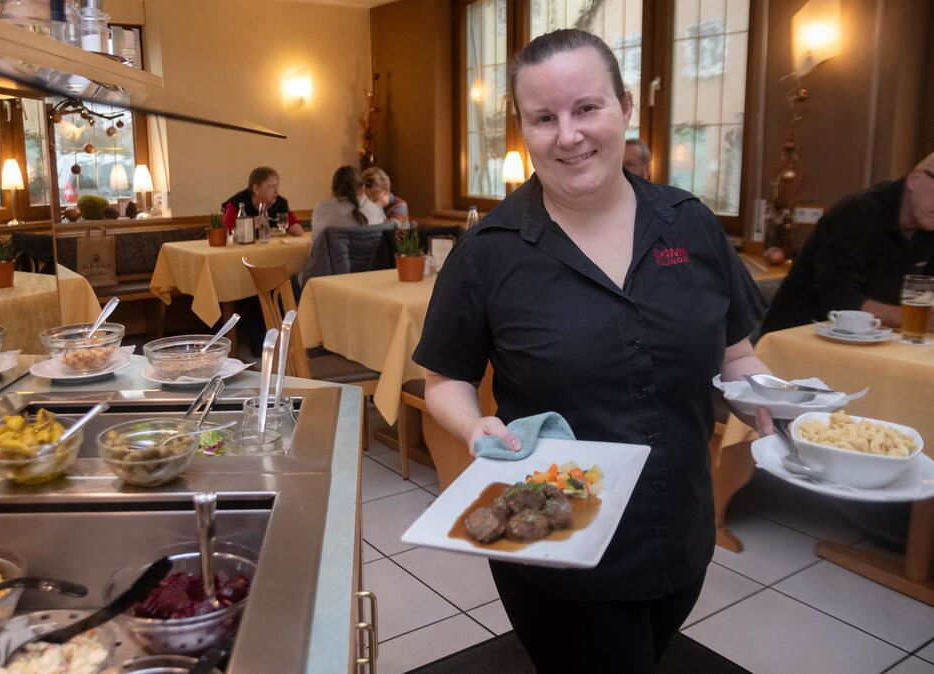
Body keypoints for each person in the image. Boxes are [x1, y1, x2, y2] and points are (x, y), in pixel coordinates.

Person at [411, 30, 772, 672]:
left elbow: (735, 352)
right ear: (522, 130)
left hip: (682, 528)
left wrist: (770, 400)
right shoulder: (488, 252)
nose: (569, 134)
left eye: (586, 108)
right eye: (544, 118)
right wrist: (473, 425)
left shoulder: (690, 223)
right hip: (558, 545)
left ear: (625, 108)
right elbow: (444, 379)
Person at [760, 152, 934, 335]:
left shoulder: (927, 225)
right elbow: (839, 301)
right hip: (798, 339)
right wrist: (917, 319)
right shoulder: (856, 214)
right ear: (915, 179)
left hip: (871, 339)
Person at [220, 166, 304, 236]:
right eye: (272, 187)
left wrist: (294, 228)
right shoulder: (236, 203)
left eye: (277, 186)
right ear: (256, 189)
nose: (276, 191)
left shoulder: (281, 203)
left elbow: (296, 228)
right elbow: (227, 232)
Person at [310, 165, 385, 240]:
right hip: (370, 252)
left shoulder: (320, 210)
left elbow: (316, 245)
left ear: (333, 189)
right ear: (363, 188)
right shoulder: (376, 209)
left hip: (334, 251)